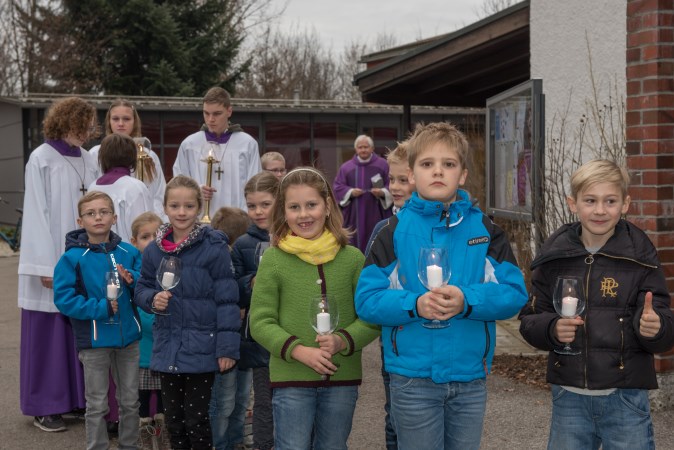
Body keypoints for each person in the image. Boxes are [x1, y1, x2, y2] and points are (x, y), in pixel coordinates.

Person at [355, 122, 528, 450]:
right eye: (427, 164)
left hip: (469, 377)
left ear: (462, 175)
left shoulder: (485, 230)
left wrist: (467, 299)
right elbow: (366, 300)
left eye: (448, 164)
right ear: (411, 174)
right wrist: (414, 305)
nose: (438, 171)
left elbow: (514, 293)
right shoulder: (392, 232)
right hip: (412, 378)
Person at [518, 159, 674, 450]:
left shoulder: (640, 257)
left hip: (626, 397)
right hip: (569, 396)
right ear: (573, 203)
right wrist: (551, 328)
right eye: (590, 200)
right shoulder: (554, 257)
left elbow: (664, 323)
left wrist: (656, 328)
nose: (600, 210)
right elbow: (529, 320)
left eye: (610, 201)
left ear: (625, 204)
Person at [250, 167, 380, 450]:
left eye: (311, 205)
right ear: (283, 212)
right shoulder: (273, 260)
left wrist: (342, 340)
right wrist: (298, 350)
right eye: (294, 207)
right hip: (291, 377)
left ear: (327, 206)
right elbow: (260, 321)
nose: (303, 214)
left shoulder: (352, 259)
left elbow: (371, 317)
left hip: (342, 377)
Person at [134, 175, 240, 450]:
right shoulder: (154, 251)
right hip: (168, 346)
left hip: (202, 348)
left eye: (189, 206)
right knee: (174, 421)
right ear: (165, 208)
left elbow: (227, 301)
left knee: (197, 420)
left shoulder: (214, 248)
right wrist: (152, 299)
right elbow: (142, 288)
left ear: (199, 208)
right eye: (175, 206)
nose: (181, 212)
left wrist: (227, 349)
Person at [18, 96, 99, 432]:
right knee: (49, 333)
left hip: (84, 257)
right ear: (66, 122)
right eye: (82, 126)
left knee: (79, 330)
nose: (87, 133)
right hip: (52, 258)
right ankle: (45, 406)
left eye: (90, 127)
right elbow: (36, 213)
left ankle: (76, 400)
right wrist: (45, 265)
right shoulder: (41, 158)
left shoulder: (88, 159)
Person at [52, 191, 142, 450]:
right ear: (80, 222)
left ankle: (130, 445)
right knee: (97, 404)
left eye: (104, 212)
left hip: (128, 339)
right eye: (91, 214)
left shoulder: (129, 252)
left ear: (114, 217)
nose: (98, 217)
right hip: (94, 342)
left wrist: (132, 279)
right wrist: (100, 308)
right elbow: (64, 299)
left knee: (130, 401)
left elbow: (145, 283)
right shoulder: (71, 258)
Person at [364, 139, 415, 450]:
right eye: (391, 179)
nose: (394, 187)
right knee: (395, 415)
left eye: (403, 179)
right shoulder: (383, 229)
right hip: (395, 341)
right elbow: (369, 292)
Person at [231, 171, 279, 450]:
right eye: (252, 205)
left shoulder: (296, 235)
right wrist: (251, 283)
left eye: (265, 204)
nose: (258, 211)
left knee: (294, 399)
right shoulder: (243, 244)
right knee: (264, 400)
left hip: (294, 330)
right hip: (260, 335)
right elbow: (234, 287)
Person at [173, 87, 261, 212]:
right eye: (206, 113)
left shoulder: (247, 144)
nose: (210, 119)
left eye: (217, 114)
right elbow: (178, 182)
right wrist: (195, 190)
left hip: (238, 217)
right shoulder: (190, 145)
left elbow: (255, 185)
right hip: (199, 217)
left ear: (229, 111)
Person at [208, 206, 252, 450]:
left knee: (241, 397)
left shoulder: (242, 258)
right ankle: (221, 443)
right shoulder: (217, 261)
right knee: (224, 400)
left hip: (244, 340)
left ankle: (236, 440)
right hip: (224, 342)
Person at [89, 98, 167, 219]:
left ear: (134, 122)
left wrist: (155, 221)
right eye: (115, 119)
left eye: (126, 119)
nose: (121, 124)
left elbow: (158, 194)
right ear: (109, 121)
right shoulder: (96, 153)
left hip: (143, 218)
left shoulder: (148, 155)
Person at [129, 212, 168, 449]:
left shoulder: (169, 265)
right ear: (134, 242)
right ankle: (144, 430)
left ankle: (163, 431)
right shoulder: (133, 272)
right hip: (142, 346)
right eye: (145, 237)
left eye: (156, 235)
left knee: (165, 394)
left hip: (163, 346)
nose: (152, 241)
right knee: (142, 395)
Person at [333, 134, 393, 253]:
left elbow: (391, 183)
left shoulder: (383, 165)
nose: (363, 150)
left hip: (376, 211)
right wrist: (351, 192)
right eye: (360, 147)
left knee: (377, 236)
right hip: (354, 213)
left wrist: (382, 192)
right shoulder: (346, 167)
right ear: (356, 149)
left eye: (366, 147)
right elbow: (338, 187)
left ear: (372, 148)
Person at [89, 133, 153, 243]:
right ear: (132, 157)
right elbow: (145, 226)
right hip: (128, 251)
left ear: (103, 157)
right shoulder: (135, 187)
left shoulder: (92, 187)